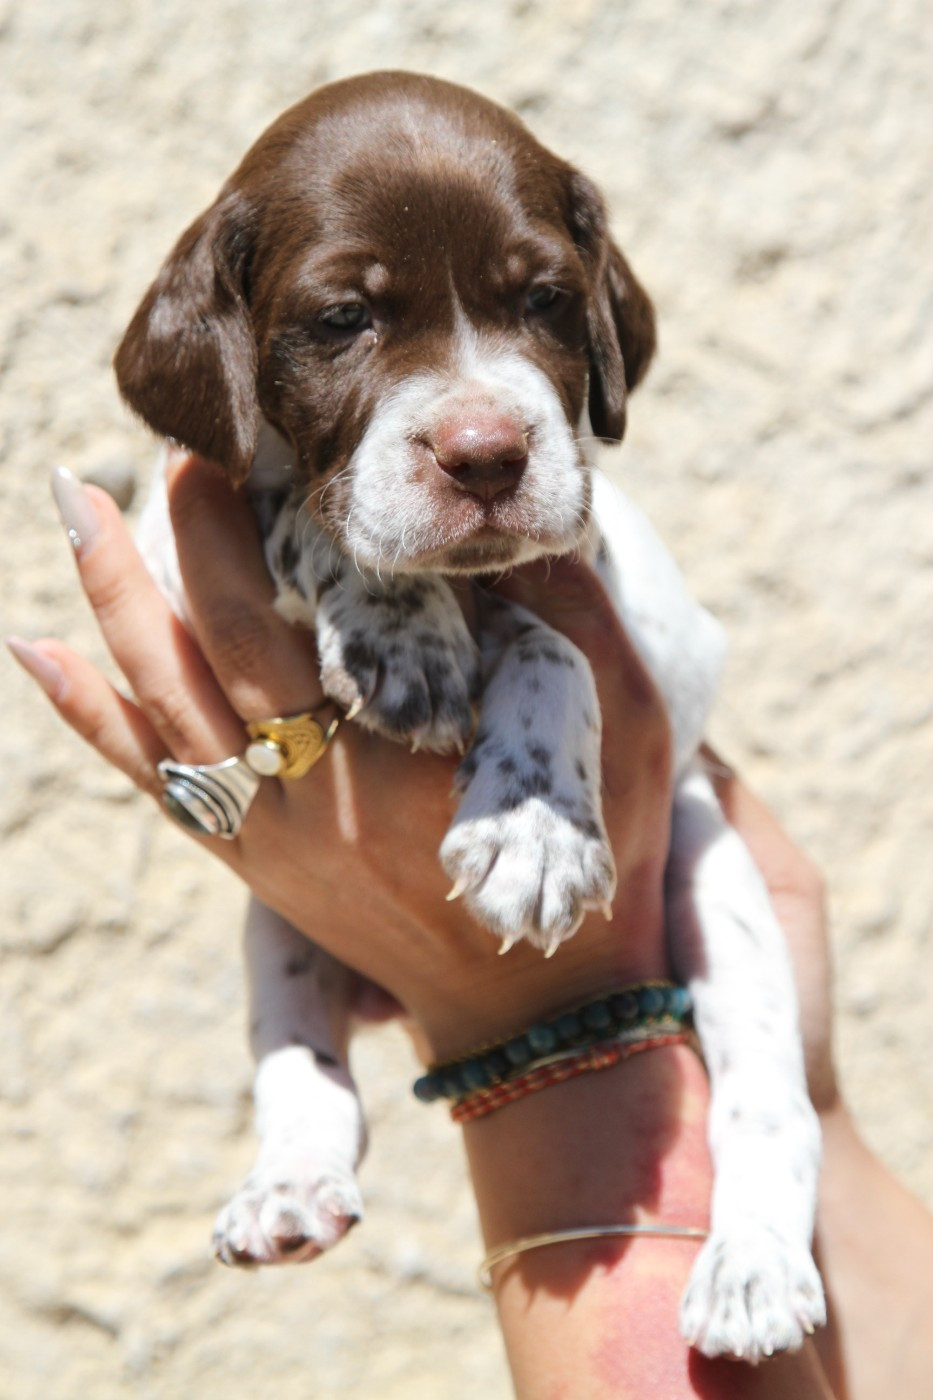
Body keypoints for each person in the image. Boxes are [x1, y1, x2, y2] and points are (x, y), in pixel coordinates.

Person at [8, 451, 933, 1399]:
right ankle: (302, 1138)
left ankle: (766, 1220)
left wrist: (539, 1016)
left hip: (638, 849)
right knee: (284, 918)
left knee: (701, 867)